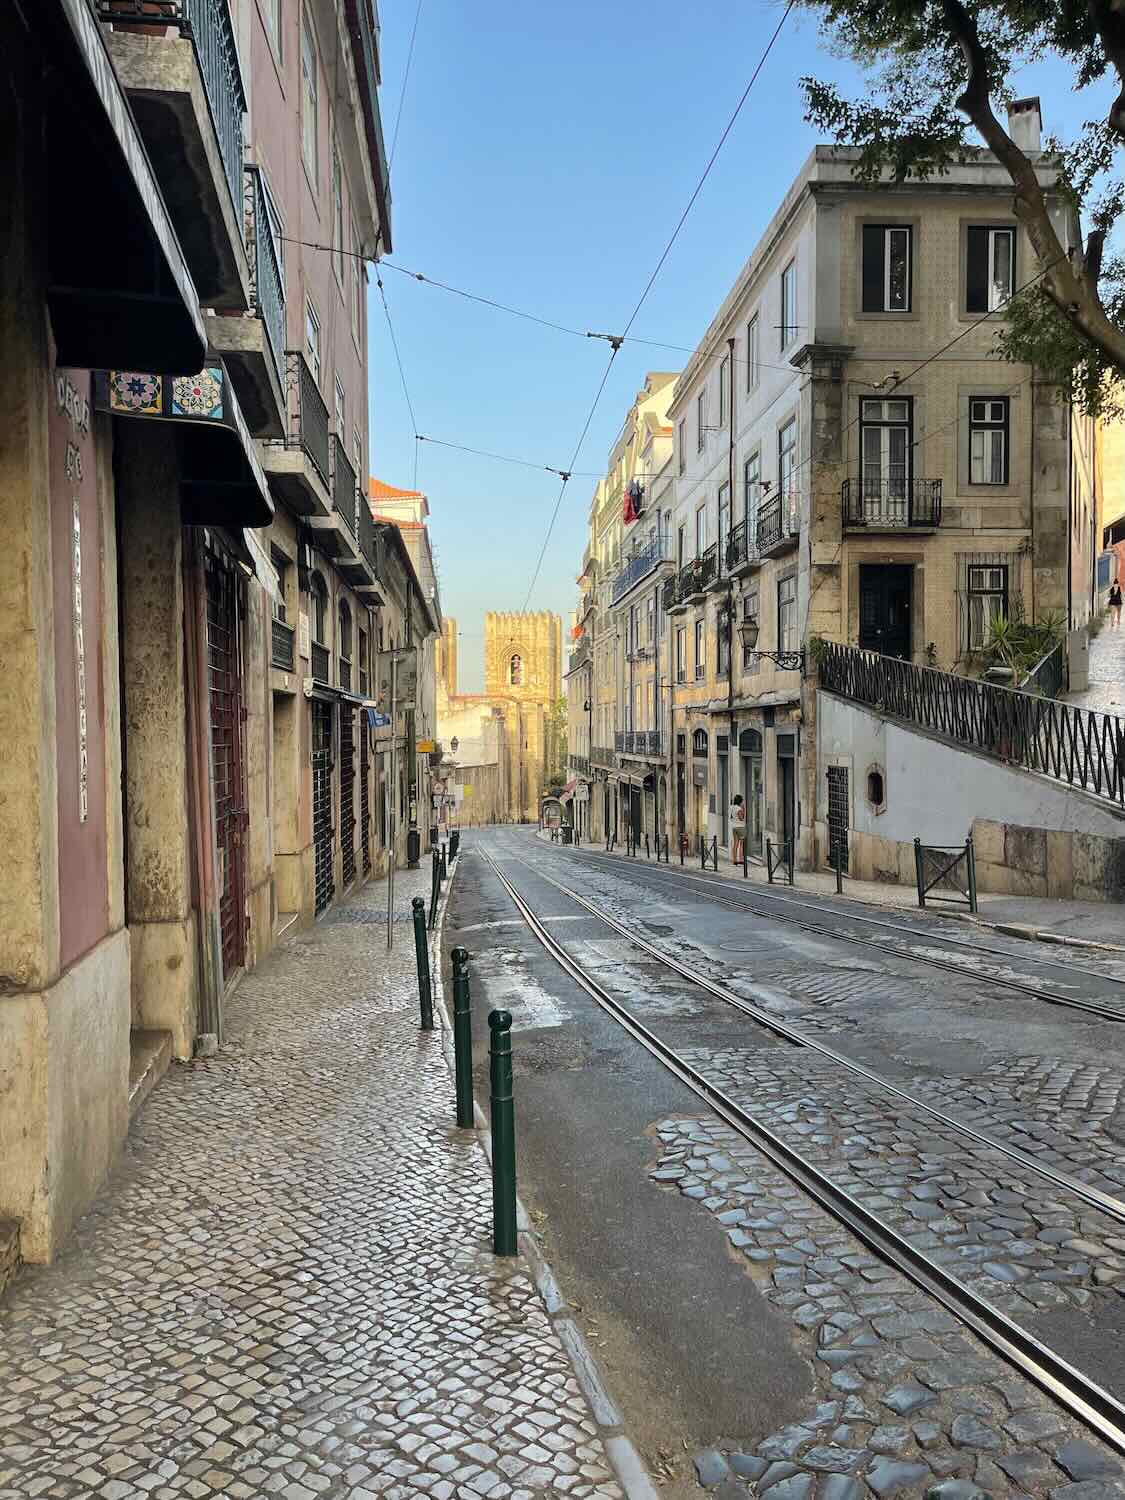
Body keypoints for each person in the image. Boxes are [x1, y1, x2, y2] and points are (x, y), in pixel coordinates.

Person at [730, 793, 746, 866]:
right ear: (740, 801)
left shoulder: (732, 807)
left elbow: (731, 817)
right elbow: (741, 818)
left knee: (735, 844)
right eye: (742, 801)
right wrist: (743, 810)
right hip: (740, 827)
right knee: (741, 844)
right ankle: (741, 859)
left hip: (734, 827)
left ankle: (734, 860)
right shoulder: (739, 809)